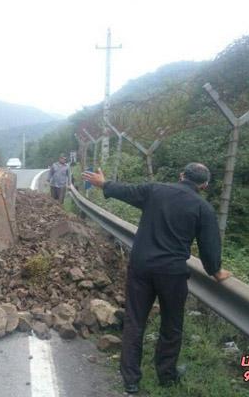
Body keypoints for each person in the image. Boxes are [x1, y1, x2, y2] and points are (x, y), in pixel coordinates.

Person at [82, 163, 232, 394]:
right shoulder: (203, 208)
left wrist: (105, 184)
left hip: (140, 267)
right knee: (171, 325)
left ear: (181, 175)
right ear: (204, 185)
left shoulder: (155, 190)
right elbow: (209, 249)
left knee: (135, 321)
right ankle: (166, 376)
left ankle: (131, 380)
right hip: (172, 273)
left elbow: (126, 191)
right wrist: (217, 272)